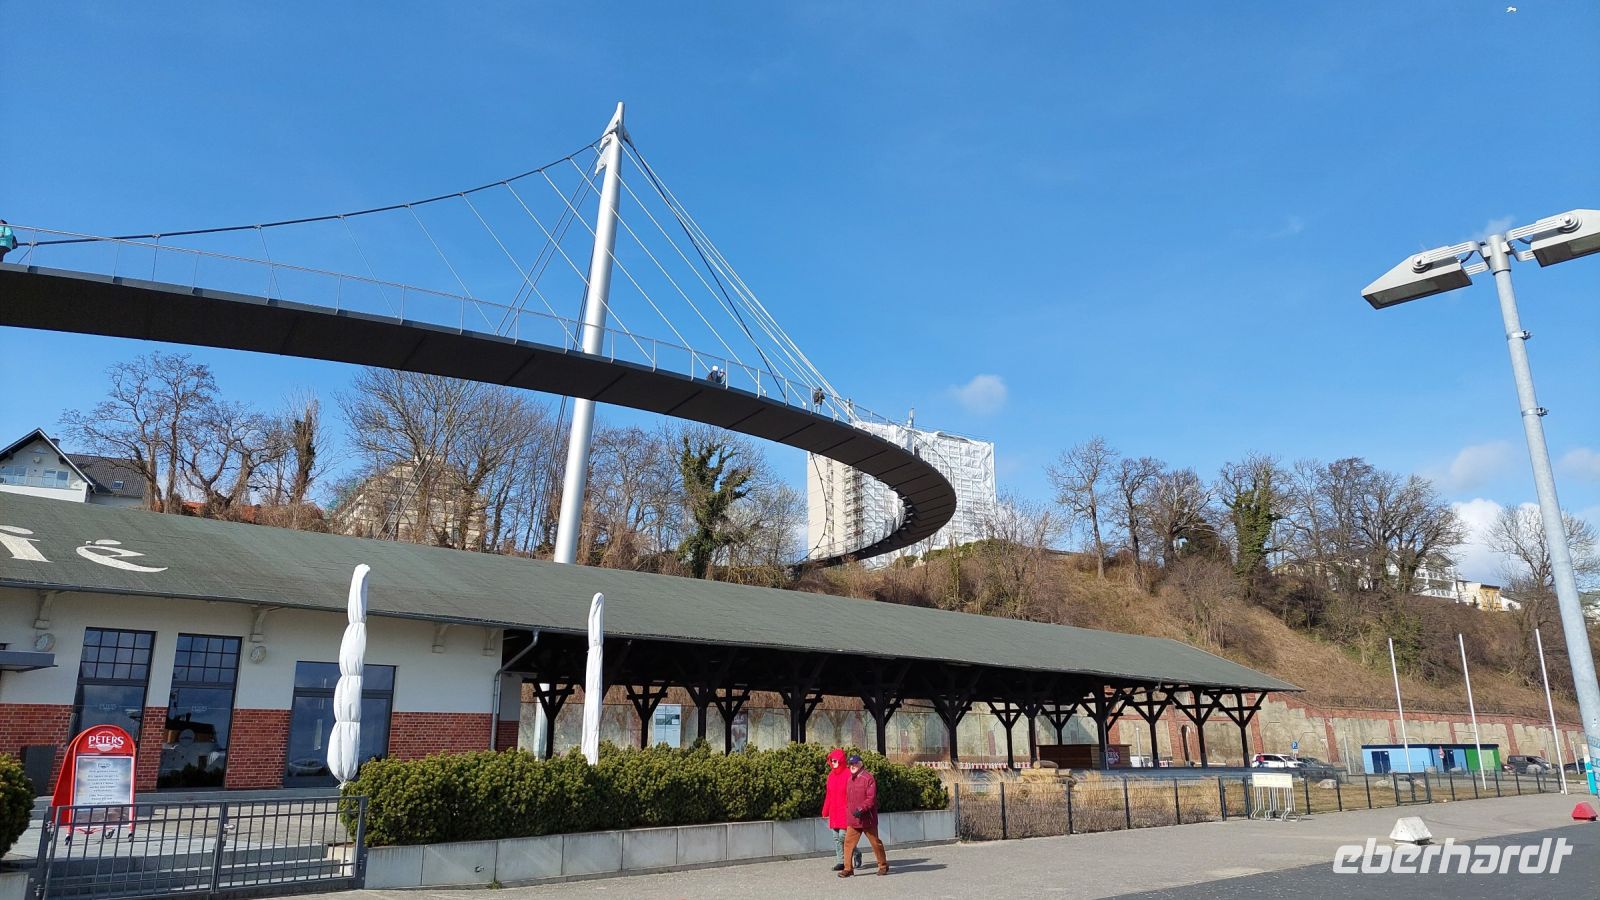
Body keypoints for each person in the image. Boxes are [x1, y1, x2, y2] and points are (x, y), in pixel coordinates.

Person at [839, 754, 889, 878]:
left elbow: (870, 799)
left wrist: (861, 809)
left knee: (875, 843)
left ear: (861, 764)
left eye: (855, 763)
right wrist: (850, 812)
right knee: (848, 843)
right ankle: (848, 868)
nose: (852, 766)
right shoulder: (849, 780)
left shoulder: (868, 778)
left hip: (867, 819)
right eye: (850, 764)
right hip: (853, 819)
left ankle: (883, 866)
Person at [820, 748, 861, 872]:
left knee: (844, 837)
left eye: (835, 760)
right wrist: (825, 810)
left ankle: (856, 852)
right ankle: (840, 861)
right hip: (834, 811)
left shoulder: (848, 774)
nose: (833, 763)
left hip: (845, 811)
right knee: (836, 837)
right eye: (832, 761)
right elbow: (829, 794)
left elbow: (854, 792)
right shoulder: (831, 776)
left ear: (841, 760)